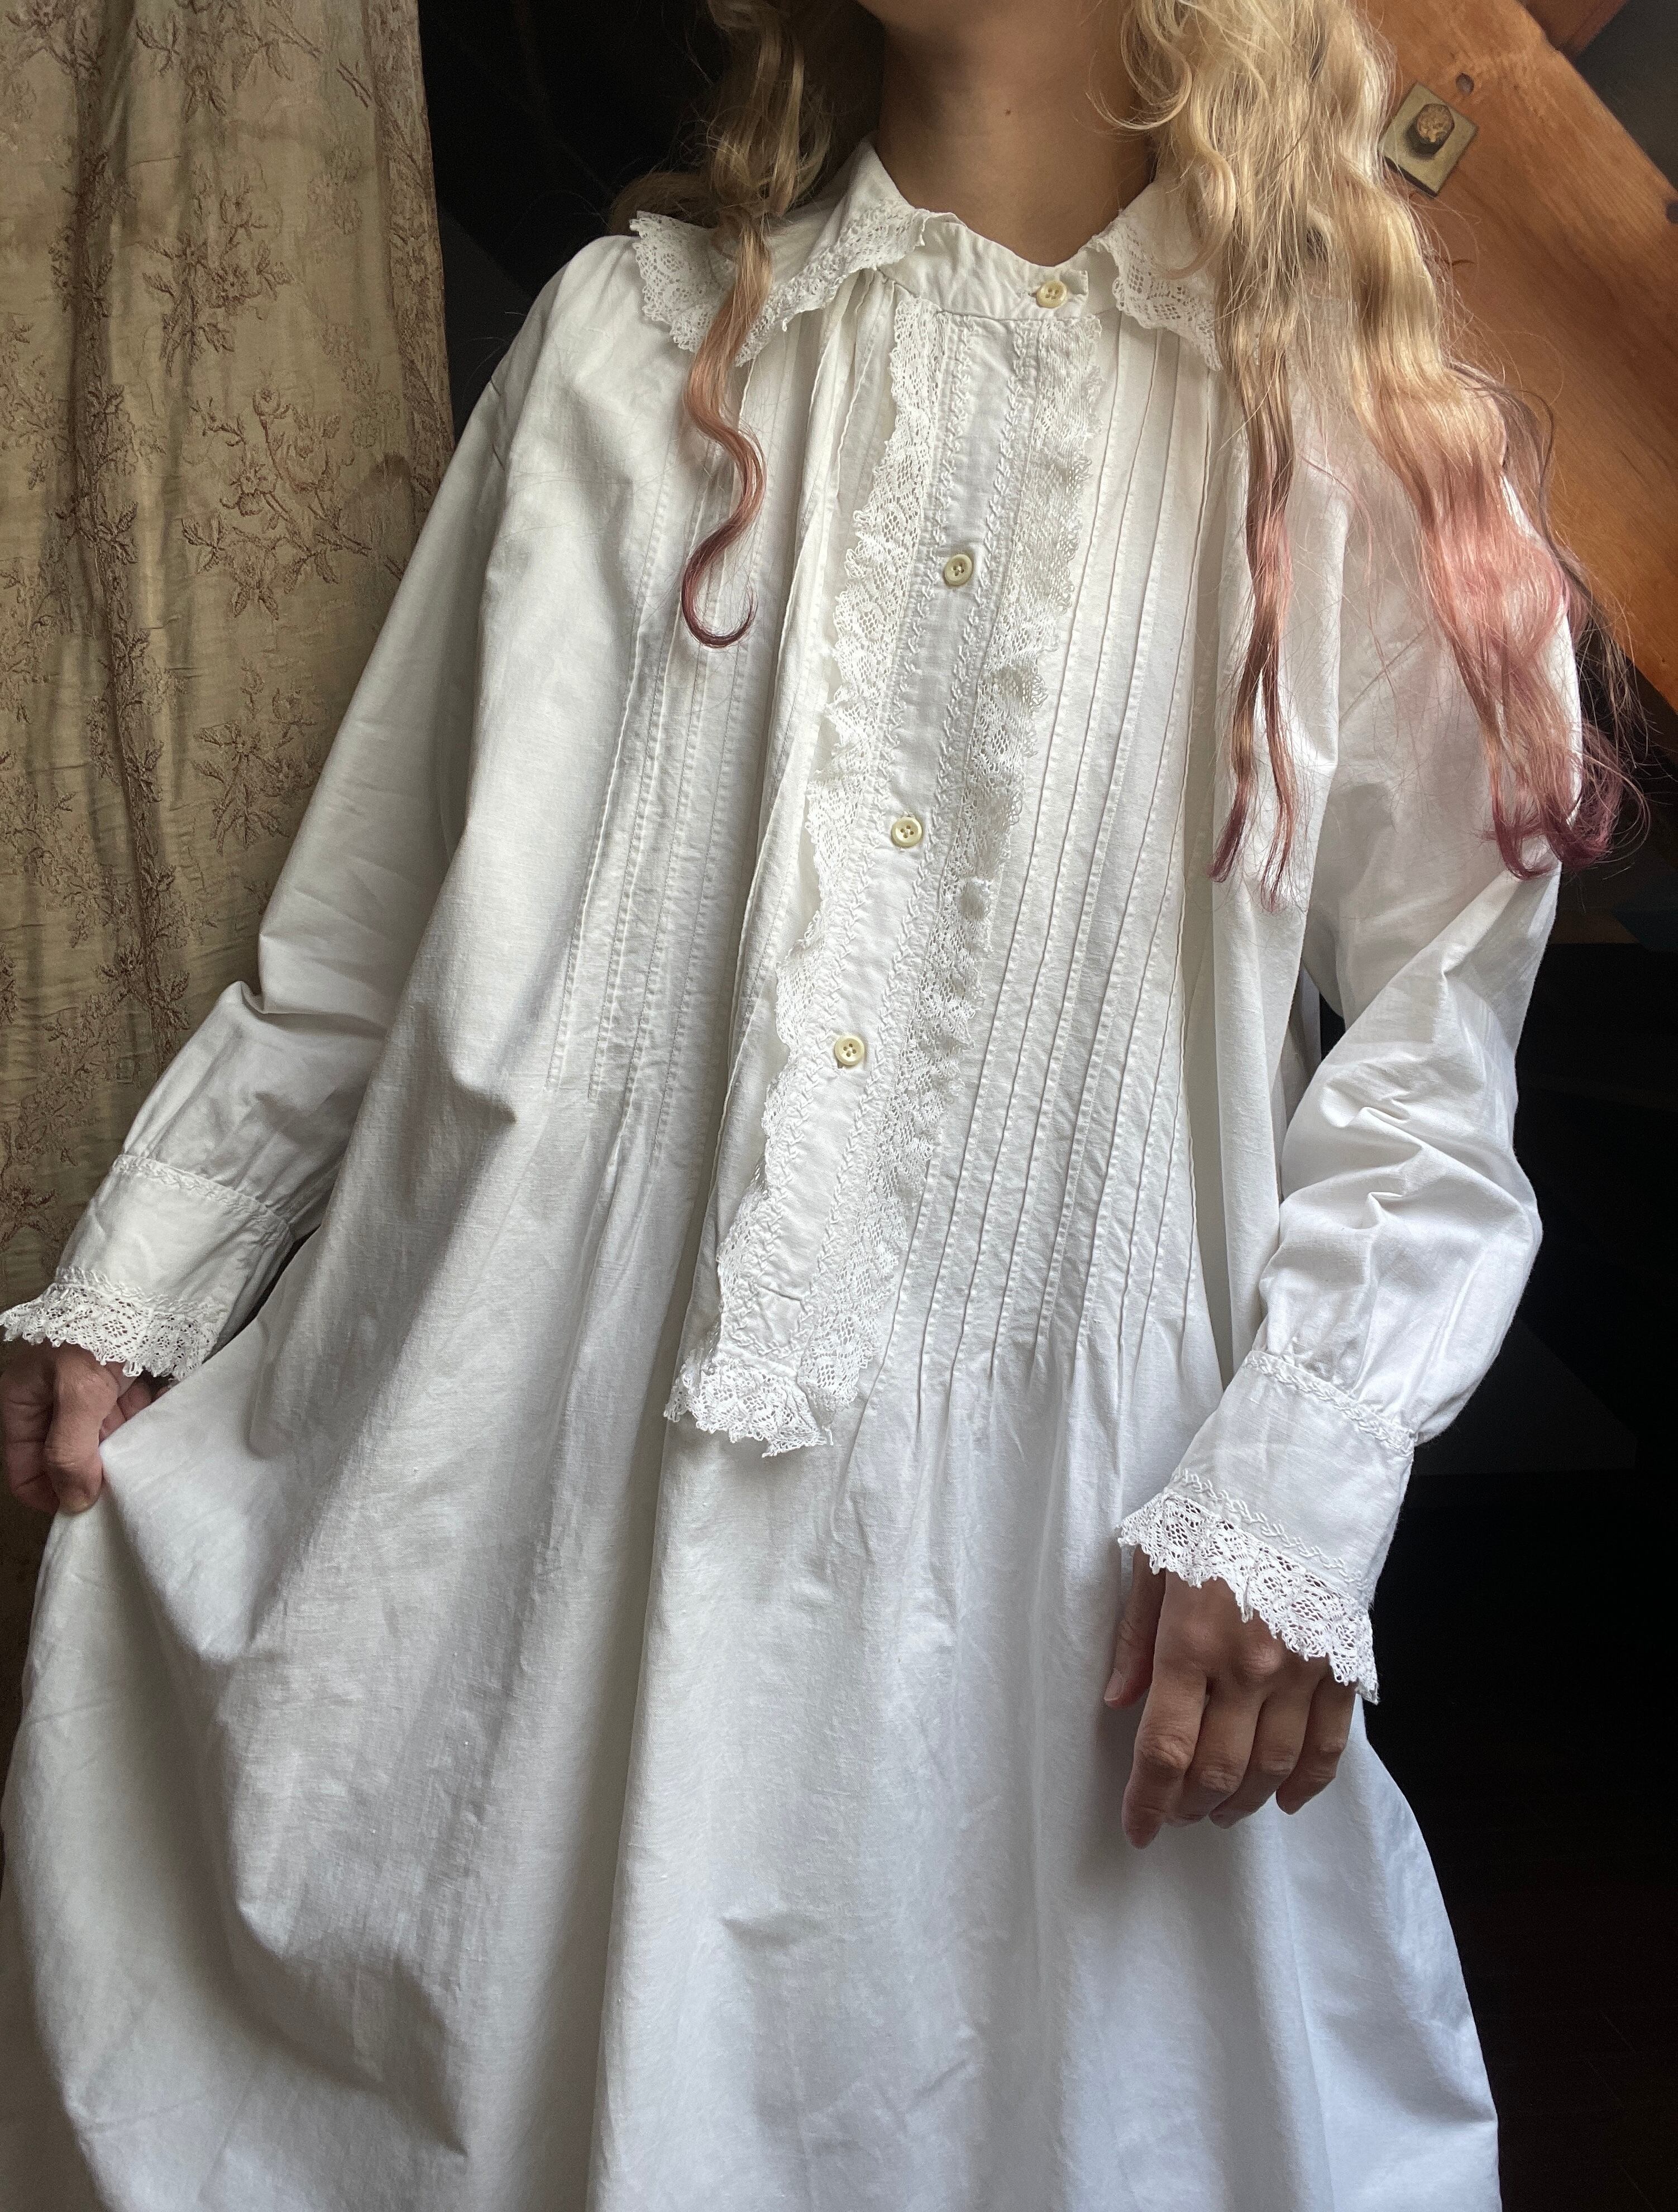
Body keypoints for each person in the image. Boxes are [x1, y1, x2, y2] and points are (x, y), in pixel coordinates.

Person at [0, 1, 1626, 2205]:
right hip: (532, 1507)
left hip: (1048, 1602)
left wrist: (1297, 1480)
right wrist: (157, 1262)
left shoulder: (1335, 421)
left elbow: (1434, 1066)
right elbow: (371, 922)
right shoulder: (628, 340)